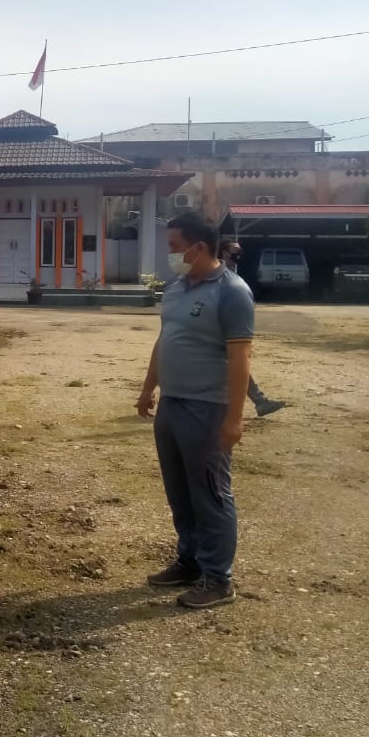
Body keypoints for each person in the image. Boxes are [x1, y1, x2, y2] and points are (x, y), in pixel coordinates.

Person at [137, 212, 254, 609]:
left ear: (198, 247)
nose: (170, 253)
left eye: (174, 246)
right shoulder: (176, 288)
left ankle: (218, 579)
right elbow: (165, 337)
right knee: (180, 493)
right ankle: (189, 561)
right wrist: (148, 388)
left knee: (211, 495)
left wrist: (234, 418)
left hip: (208, 407)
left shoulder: (232, 292)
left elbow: (241, 359)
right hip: (172, 403)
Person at [219, 240, 286, 417]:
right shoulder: (217, 273)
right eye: (234, 250)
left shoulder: (232, 271)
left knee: (234, 364)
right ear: (224, 252)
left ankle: (259, 401)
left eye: (239, 250)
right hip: (217, 326)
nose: (238, 254)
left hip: (228, 327)